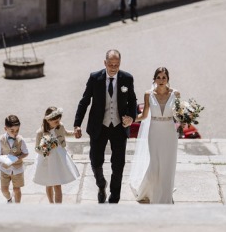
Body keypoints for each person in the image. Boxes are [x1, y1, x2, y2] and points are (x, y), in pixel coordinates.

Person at [74, 49, 137, 203]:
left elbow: (133, 101)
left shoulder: (127, 78)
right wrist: (77, 124)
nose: (113, 67)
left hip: (118, 127)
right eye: (110, 64)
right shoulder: (95, 78)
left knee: (118, 164)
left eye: (116, 64)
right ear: (105, 63)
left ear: (120, 63)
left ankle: (114, 197)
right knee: (95, 161)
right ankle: (101, 184)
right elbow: (84, 101)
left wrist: (131, 117)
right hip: (99, 126)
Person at [129, 67, 179, 204]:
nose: (161, 80)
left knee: (168, 164)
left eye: (164, 77)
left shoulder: (176, 94)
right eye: (159, 77)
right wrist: (131, 119)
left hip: (169, 133)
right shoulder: (148, 94)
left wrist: (188, 117)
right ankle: (154, 193)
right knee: (156, 164)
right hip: (155, 132)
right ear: (154, 79)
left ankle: (166, 195)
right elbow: (144, 115)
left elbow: (178, 116)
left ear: (168, 79)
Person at [33, 106, 79, 203]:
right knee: (48, 183)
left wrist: (74, 133)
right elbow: (37, 148)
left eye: (59, 120)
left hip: (58, 157)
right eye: (55, 122)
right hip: (47, 159)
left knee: (57, 184)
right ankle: (51, 203)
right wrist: (45, 152)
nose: (58, 123)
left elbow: (65, 133)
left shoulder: (60, 126)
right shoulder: (40, 133)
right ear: (48, 120)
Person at [0, 114, 29, 203]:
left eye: (17, 130)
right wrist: (4, 158)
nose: (15, 133)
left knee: (17, 190)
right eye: (12, 130)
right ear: (5, 129)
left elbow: (26, 153)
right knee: (4, 190)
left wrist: (18, 157)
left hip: (17, 169)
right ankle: (9, 199)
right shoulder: (0, 140)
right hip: (5, 169)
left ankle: (17, 207)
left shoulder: (21, 140)